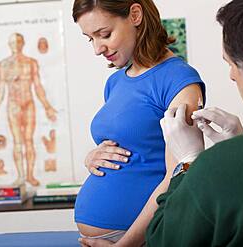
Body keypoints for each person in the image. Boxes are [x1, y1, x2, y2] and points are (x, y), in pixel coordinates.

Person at [144, 0, 243, 246]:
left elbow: (163, 240)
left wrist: (188, 165)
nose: (230, 75)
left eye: (229, 63)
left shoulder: (215, 169)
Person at [73, 0, 205, 245]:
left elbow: (180, 176)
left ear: (135, 15)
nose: (97, 49)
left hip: (139, 239)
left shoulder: (180, 81)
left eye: (104, 34)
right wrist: (91, 157)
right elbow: (131, 148)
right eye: (90, 38)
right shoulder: (115, 82)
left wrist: (125, 246)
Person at [0, 33, 57, 187]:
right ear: (8, 44)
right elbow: (0, 89)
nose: (16, 45)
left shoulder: (31, 62)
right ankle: (21, 176)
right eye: (12, 42)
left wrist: (47, 107)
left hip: (28, 104)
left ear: (23, 43)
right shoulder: (4, 65)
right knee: (18, 142)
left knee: (29, 141)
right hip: (13, 105)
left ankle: (30, 175)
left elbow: (38, 86)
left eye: (18, 41)